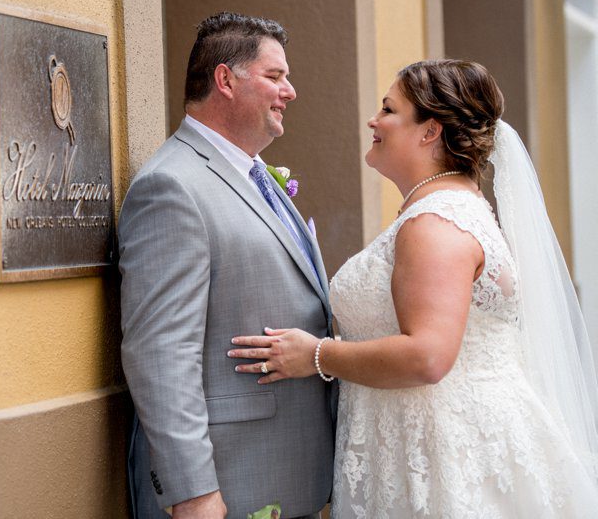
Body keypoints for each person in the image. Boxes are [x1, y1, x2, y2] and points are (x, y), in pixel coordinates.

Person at [229, 59, 598, 517]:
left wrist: (317, 355)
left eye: (389, 109)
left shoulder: (436, 224)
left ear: (430, 131)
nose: (374, 120)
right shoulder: (449, 209)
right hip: (428, 440)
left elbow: (427, 356)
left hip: (446, 456)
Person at [119, 12, 335, 519]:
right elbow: (160, 351)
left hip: (287, 476)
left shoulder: (253, 174)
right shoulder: (171, 186)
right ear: (225, 80)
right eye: (275, 77)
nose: (292, 92)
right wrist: (192, 491)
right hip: (227, 487)